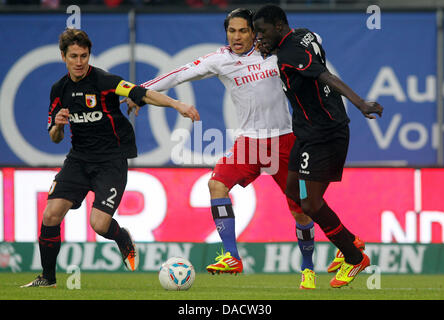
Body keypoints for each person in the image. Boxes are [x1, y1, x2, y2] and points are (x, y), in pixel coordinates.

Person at [126, 8, 317, 289]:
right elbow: (179, 75)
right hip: (249, 142)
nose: (237, 37)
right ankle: (231, 255)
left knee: (301, 211)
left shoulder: (274, 54)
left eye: (243, 31)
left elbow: (311, 69)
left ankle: (308, 268)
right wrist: (139, 92)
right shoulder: (220, 59)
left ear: (254, 33)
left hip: (284, 141)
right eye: (232, 31)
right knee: (216, 184)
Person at [21, 28, 199, 288]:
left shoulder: (104, 81)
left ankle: (121, 238)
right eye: (73, 56)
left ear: (89, 55)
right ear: (63, 57)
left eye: (84, 56)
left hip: (111, 161)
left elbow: (141, 93)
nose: (79, 62)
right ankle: (47, 278)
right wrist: (58, 125)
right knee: (50, 215)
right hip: (78, 160)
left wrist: (177, 105)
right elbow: (54, 137)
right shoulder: (58, 90)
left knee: (99, 224)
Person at [253, 5, 383, 288]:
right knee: (293, 191)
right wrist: (272, 51)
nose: (258, 38)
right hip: (307, 134)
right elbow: (310, 58)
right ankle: (348, 240)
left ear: (278, 26)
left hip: (325, 134)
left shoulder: (290, 53)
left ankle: (353, 257)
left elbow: (326, 76)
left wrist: (360, 103)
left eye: (262, 32)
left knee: (310, 203)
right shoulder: (303, 36)